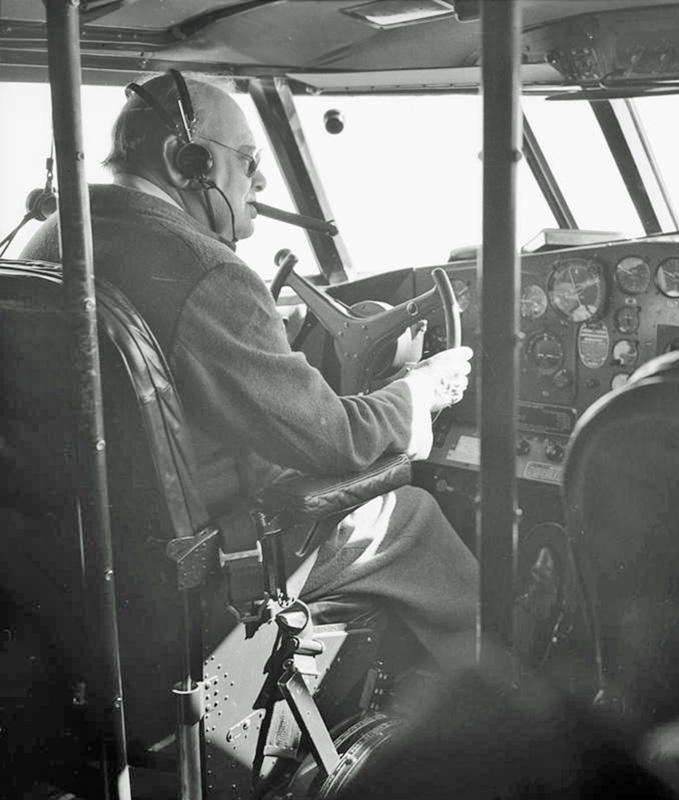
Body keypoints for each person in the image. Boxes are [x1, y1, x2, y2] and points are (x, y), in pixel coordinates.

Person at [22, 71, 485, 672]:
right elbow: (333, 440)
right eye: (246, 161)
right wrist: (416, 392)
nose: (260, 180)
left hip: (72, 567)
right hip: (210, 565)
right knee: (409, 515)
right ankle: (509, 717)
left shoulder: (50, 238)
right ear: (183, 160)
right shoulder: (205, 271)